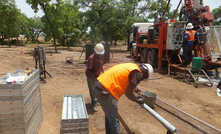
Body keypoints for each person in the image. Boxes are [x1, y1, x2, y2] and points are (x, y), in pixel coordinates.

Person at [94, 63, 153, 134]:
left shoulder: (132, 67)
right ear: (145, 74)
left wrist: (135, 88)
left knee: (109, 116)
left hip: (99, 86)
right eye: (144, 77)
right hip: (106, 92)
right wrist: (138, 100)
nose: (142, 79)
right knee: (114, 121)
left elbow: (127, 80)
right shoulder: (138, 74)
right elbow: (128, 94)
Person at [85, 43, 105, 112]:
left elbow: (101, 65)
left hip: (97, 76)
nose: (100, 55)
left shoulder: (101, 56)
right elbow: (89, 71)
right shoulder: (91, 58)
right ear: (95, 52)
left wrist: (103, 72)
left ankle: (96, 101)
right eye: (99, 53)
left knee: (98, 89)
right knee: (93, 91)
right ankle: (94, 104)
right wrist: (94, 78)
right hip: (91, 77)